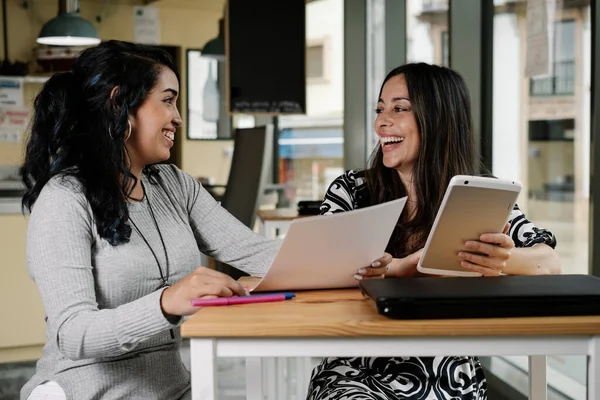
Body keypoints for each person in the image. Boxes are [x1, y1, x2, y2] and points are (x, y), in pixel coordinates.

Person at [19, 40, 284, 400]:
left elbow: (257, 252)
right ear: (120, 105)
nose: (178, 117)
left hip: (171, 389)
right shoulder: (64, 199)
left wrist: (375, 263)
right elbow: (74, 333)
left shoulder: (173, 184)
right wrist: (167, 301)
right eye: (168, 100)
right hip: (87, 390)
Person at [307, 63, 561, 400]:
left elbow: (548, 263)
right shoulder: (352, 191)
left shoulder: (479, 196)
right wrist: (399, 268)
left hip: (451, 375)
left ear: (437, 118)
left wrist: (499, 259)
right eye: (380, 109)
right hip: (358, 367)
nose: (381, 122)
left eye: (399, 109)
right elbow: (316, 267)